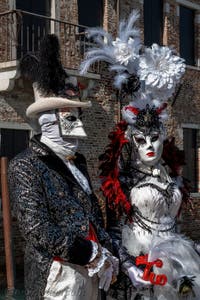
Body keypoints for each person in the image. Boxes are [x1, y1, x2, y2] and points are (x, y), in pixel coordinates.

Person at [80, 10, 200, 300]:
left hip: (180, 260)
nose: (149, 145)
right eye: (142, 139)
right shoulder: (125, 178)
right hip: (141, 261)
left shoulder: (170, 174)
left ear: (163, 140)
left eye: (155, 138)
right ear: (131, 142)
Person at [8, 34, 118, 300]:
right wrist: (89, 252)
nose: (78, 131)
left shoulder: (77, 163)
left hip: (91, 276)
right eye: (70, 120)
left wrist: (111, 253)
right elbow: (36, 228)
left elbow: (92, 214)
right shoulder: (24, 165)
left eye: (77, 118)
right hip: (57, 279)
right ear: (47, 122)